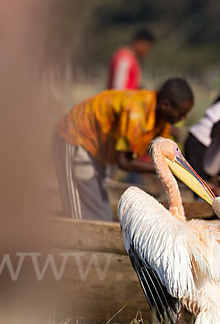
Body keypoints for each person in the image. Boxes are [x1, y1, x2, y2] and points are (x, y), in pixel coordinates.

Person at [52, 78, 194, 221]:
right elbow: (125, 162)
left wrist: (187, 175)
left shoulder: (162, 119)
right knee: (80, 214)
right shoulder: (136, 113)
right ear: (165, 104)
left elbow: (161, 155)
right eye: (181, 114)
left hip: (97, 149)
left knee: (100, 212)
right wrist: (166, 171)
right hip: (75, 137)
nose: (183, 118)